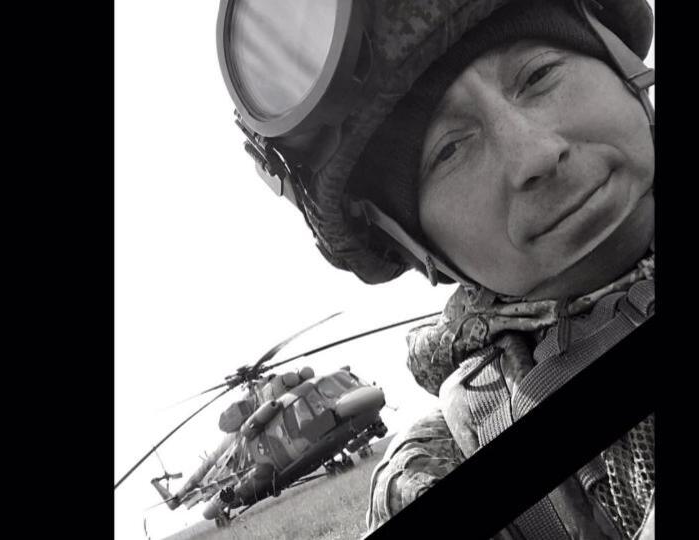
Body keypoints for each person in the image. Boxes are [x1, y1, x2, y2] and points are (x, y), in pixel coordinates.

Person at [216, 0, 655, 537]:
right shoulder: (431, 469)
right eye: (450, 151)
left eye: (539, 76)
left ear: (618, 62)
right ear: (409, 239)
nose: (536, 154)